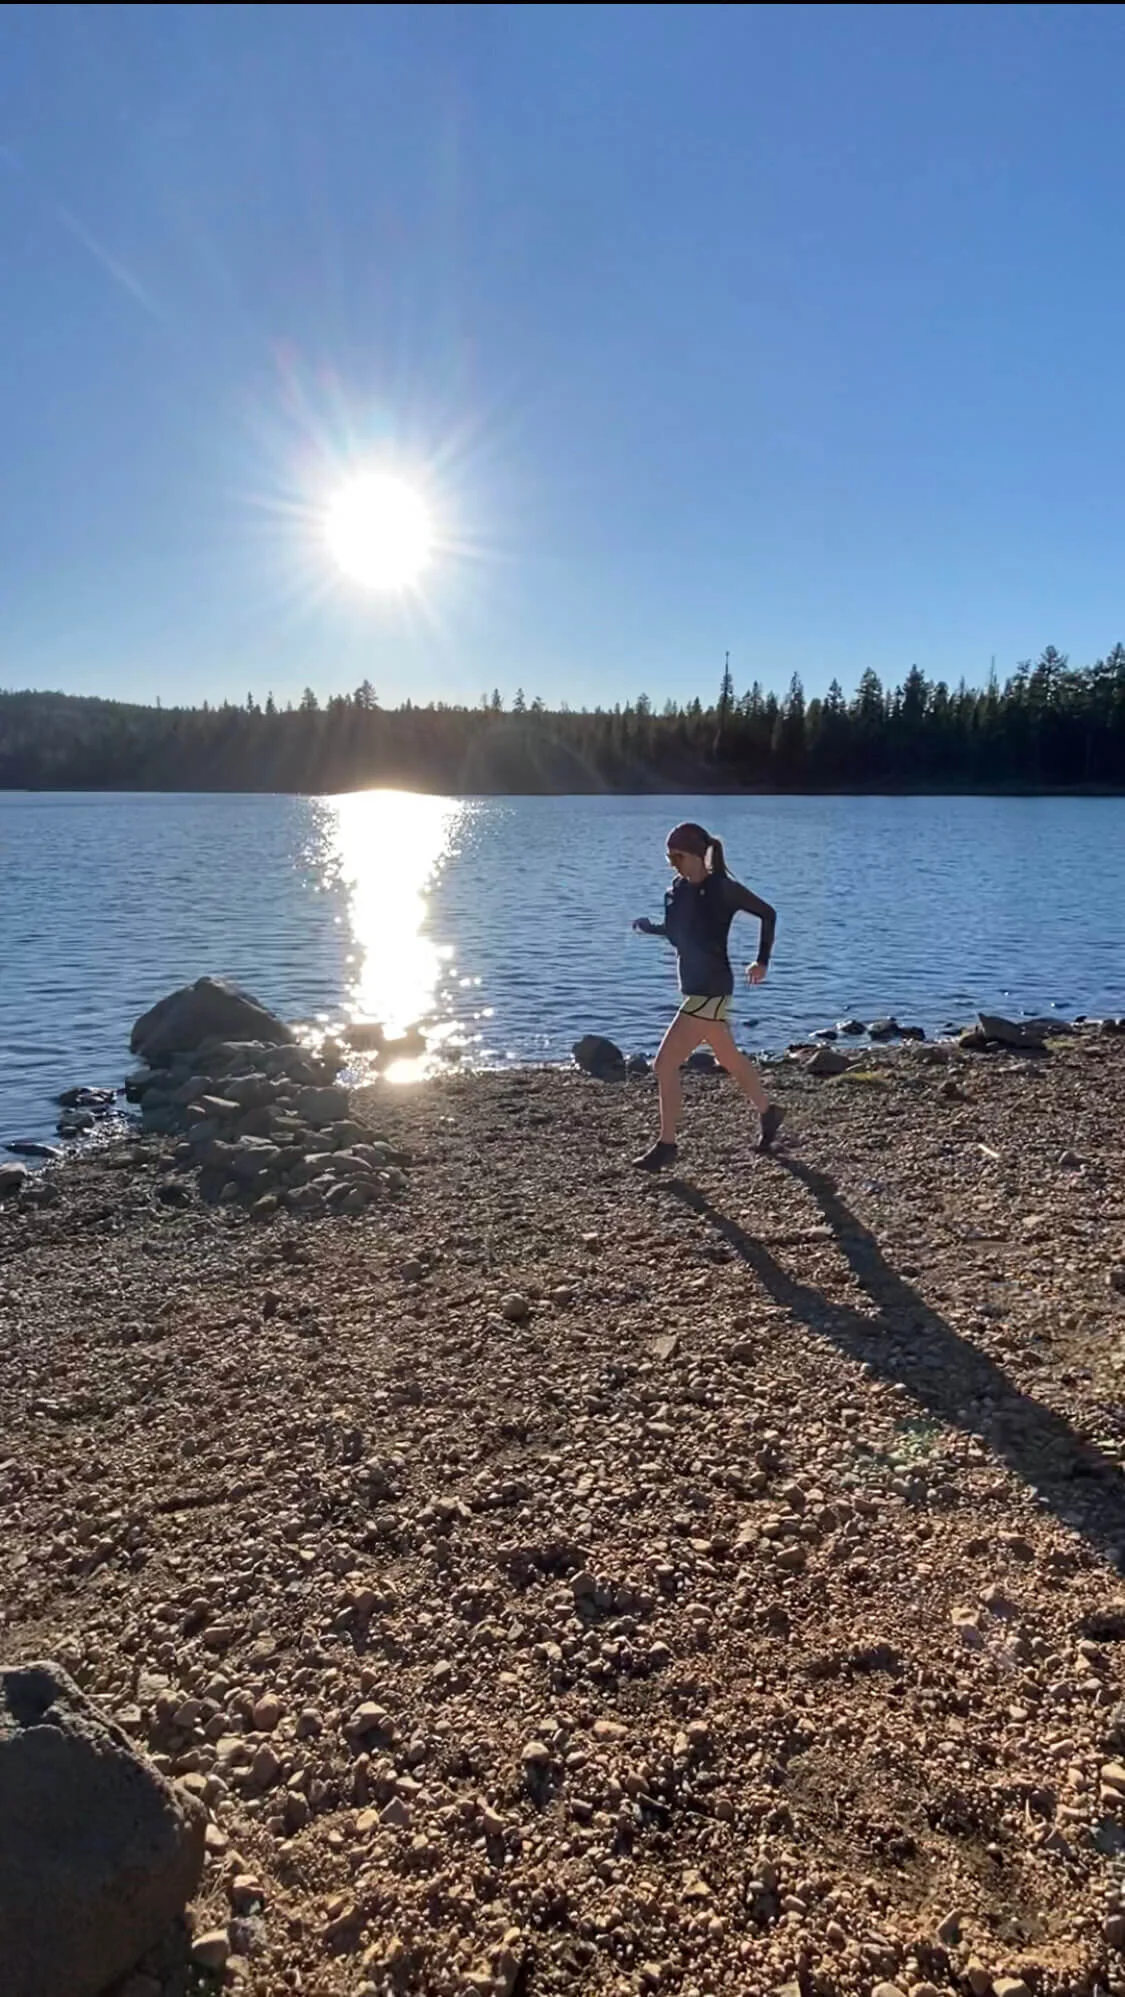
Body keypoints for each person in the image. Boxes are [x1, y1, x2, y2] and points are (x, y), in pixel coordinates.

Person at [632, 820, 783, 1171]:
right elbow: (677, 935)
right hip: (696, 986)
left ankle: (667, 1144)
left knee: (664, 1064)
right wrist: (651, 927)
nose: (673, 863)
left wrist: (761, 961)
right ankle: (768, 1112)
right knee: (728, 1059)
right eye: (669, 857)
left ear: (698, 855)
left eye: (678, 856)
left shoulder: (723, 889)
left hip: (712, 988)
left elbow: (768, 913)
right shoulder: (678, 891)